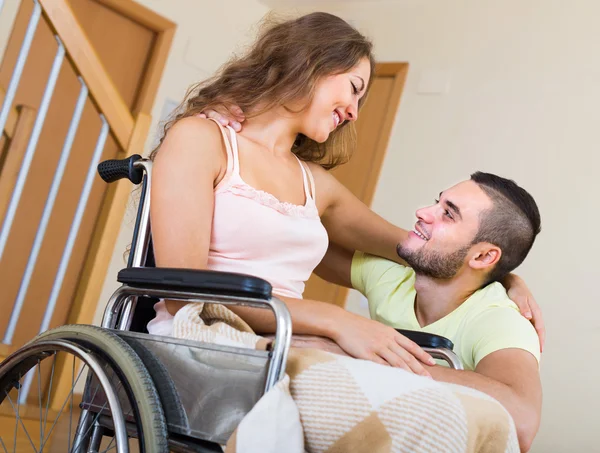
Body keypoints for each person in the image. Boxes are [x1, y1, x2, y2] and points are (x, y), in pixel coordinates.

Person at [147, 11, 543, 378]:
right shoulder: (203, 139)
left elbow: (416, 248)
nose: (353, 112)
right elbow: (184, 294)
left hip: (287, 344)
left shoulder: (315, 184)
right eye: (353, 89)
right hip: (207, 337)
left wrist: (506, 277)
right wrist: (336, 320)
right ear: (310, 64)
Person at [298, 172, 543, 452]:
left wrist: (380, 358)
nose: (423, 213)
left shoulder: (501, 321)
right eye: (437, 203)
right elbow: (299, 243)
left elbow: (522, 421)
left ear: (483, 257)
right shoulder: (396, 278)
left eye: (449, 214)